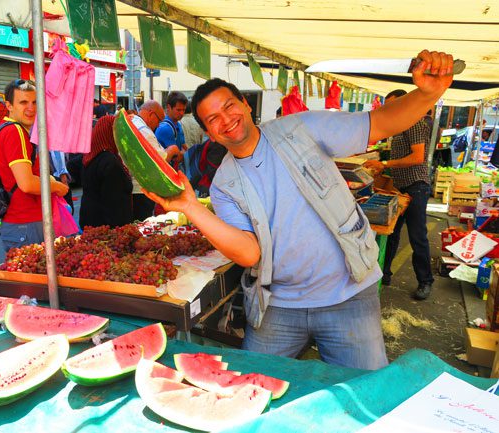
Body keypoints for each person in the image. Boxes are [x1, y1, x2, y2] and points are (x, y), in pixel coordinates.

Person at [144, 50, 454, 370]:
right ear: (209, 132)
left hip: (348, 296)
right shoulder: (224, 184)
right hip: (278, 306)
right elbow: (250, 254)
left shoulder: (300, 129)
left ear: (246, 104)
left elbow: (380, 123)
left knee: (367, 392)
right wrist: (191, 207)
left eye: (229, 106)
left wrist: (428, 93)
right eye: (213, 119)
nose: (225, 119)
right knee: (250, 385)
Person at [364, 89, 435, 300]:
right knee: (391, 232)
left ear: (404, 104)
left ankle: (425, 281)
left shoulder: (415, 122)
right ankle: (384, 274)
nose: (389, 110)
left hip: (416, 186)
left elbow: (417, 157)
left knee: (417, 236)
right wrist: (384, 169)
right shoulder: (400, 125)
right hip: (400, 186)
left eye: (393, 105)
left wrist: (384, 163)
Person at [0, 79, 69, 251]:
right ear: (9, 105)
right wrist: (56, 186)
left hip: (22, 224)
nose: (31, 108)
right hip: (26, 224)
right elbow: (26, 184)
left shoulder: (8, 130)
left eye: (35, 102)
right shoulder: (15, 132)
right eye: (23, 102)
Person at [79, 115, 133, 228]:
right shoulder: (110, 161)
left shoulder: (90, 156)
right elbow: (114, 203)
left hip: (89, 221)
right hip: (106, 228)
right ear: (110, 133)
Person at [130, 100, 178, 220]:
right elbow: (160, 159)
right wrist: (172, 150)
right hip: (141, 189)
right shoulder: (143, 130)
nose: (158, 125)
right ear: (151, 114)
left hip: (135, 187)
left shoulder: (134, 122)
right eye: (159, 120)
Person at [155, 91, 187, 162]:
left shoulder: (177, 124)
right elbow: (177, 158)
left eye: (184, 110)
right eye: (178, 110)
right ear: (169, 107)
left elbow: (184, 147)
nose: (182, 113)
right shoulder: (165, 128)